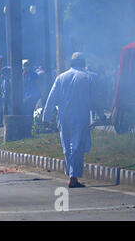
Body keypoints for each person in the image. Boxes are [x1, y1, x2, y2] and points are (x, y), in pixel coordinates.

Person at [42, 52, 104, 188]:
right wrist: (101, 115)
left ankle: (71, 175)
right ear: (83, 63)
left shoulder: (61, 77)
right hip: (80, 116)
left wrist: (45, 118)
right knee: (76, 147)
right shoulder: (88, 77)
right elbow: (95, 100)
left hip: (63, 117)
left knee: (66, 147)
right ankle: (73, 177)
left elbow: (51, 99)